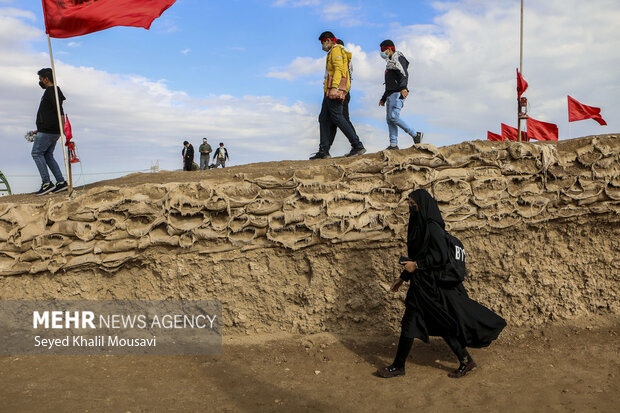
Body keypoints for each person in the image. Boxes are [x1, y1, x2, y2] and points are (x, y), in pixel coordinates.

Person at [376, 189, 506, 379]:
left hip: (432, 288)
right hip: (421, 286)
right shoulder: (419, 225)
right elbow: (417, 257)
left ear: (423, 204)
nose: (411, 207)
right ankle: (463, 360)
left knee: (423, 324)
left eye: (414, 203)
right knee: (419, 323)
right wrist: (403, 277)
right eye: (409, 203)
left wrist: (418, 265)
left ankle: (400, 366)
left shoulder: (432, 227)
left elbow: (439, 257)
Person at [310, 31, 366, 160]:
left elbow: (338, 70)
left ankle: (357, 145)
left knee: (337, 117)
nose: (322, 46)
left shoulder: (336, 51)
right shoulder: (334, 52)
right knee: (323, 118)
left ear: (329, 41)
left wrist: (334, 87)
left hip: (333, 90)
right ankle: (323, 150)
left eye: (323, 42)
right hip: (328, 90)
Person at [378, 40, 423, 150]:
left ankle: (415, 134)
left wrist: (403, 87)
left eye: (383, 50)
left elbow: (404, 74)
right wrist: (383, 98)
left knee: (394, 117)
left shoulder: (398, 59)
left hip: (398, 93)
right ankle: (393, 144)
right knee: (389, 119)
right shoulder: (389, 63)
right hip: (390, 94)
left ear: (389, 49)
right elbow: (389, 83)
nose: (382, 53)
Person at [32, 68, 68, 195]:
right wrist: (39, 129)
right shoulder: (52, 91)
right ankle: (61, 182)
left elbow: (60, 110)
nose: (40, 82)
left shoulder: (52, 91)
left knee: (36, 153)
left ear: (46, 79)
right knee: (47, 155)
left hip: (49, 131)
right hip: (48, 129)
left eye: (41, 79)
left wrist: (64, 129)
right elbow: (50, 113)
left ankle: (46, 183)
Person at [328, 39, 358, 148]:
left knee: (341, 118)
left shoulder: (340, 57)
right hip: (345, 91)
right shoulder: (348, 60)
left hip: (339, 91)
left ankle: (357, 145)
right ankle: (326, 147)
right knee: (336, 119)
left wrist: (334, 88)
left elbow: (340, 73)